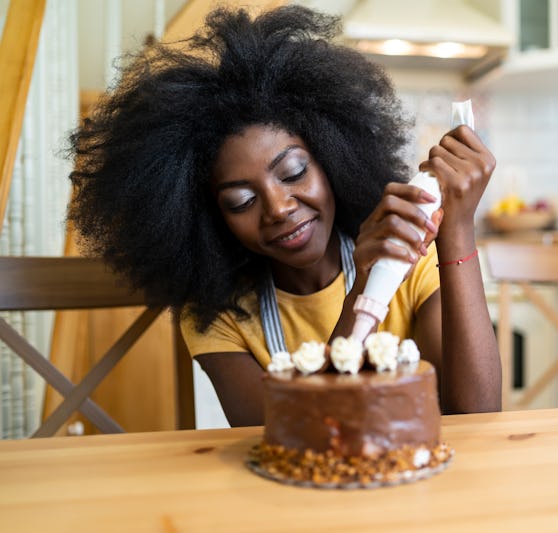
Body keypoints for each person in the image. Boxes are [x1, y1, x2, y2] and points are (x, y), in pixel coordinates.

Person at [67, 5, 501, 426]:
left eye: (293, 173)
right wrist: (364, 293)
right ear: (208, 216)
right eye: (240, 200)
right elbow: (292, 433)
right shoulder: (220, 316)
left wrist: (457, 230)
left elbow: (477, 415)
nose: (278, 209)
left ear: (332, 158)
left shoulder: (411, 262)